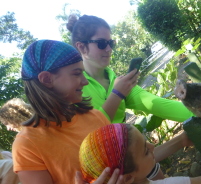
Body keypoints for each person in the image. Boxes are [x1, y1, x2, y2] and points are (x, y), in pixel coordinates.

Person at [12, 39, 128, 184]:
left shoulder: (94, 116)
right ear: (47, 79)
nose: (84, 80)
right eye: (76, 73)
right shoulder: (27, 144)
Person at [66, 14, 194, 124]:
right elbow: (87, 131)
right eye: (102, 43)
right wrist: (117, 94)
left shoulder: (117, 82)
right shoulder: (73, 89)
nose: (109, 49)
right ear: (82, 47)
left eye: (111, 43)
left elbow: (160, 105)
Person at [0, 98, 40, 184]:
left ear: (14, 118)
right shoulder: (42, 127)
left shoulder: (25, 139)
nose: (7, 128)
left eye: (7, 123)